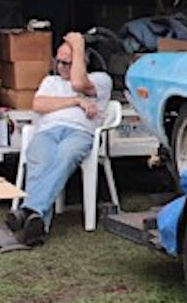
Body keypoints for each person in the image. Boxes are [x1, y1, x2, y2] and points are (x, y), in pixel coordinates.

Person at [6, 31, 112, 246]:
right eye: (59, 61)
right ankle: (36, 225)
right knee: (39, 163)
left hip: (79, 132)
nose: (62, 66)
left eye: (68, 62)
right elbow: (39, 105)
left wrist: (79, 46)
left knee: (65, 156)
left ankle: (29, 211)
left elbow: (79, 84)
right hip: (47, 131)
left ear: (82, 62)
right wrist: (76, 102)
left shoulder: (100, 80)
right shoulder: (50, 81)